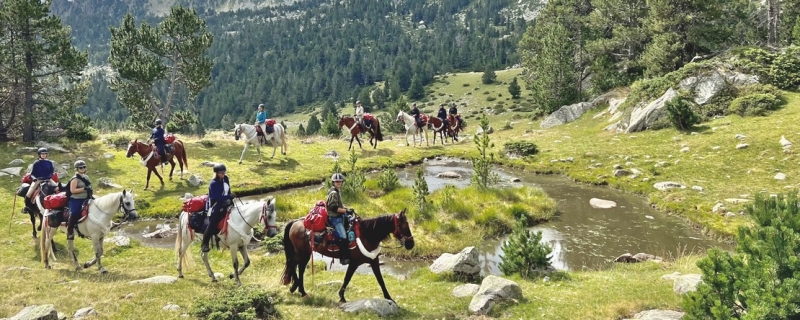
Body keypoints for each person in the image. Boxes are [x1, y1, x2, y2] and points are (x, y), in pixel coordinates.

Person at [202, 163, 235, 252]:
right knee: (212, 223)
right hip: (216, 204)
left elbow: (228, 190)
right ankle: (204, 244)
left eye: (224, 173)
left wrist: (231, 197)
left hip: (226, 202)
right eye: (221, 173)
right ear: (216, 173)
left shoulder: (226, 178)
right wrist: (228, 197)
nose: (223, 174)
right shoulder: (213, 183)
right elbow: (216, 197)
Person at [326, 173, 353, 265]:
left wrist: (347, 209)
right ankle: (343, 257)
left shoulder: (337, 191)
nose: (339, 183)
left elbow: (339, 205)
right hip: (335, 218)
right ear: (333, 182)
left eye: (340, 181)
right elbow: (334, 208)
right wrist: (345, 211)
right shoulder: (334, 193)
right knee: (343, 236)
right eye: (337, 181)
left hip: (340, 216)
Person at [67, 160, 92, 241]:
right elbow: (72, 190)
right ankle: (70, 230)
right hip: (76, 199)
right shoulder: (74, 179)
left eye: (84, 167)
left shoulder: (86, 177)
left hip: (86, 197)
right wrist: (84, 189)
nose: (82, 169)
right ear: (77, 169)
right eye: (80, 167)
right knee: (74, 213)